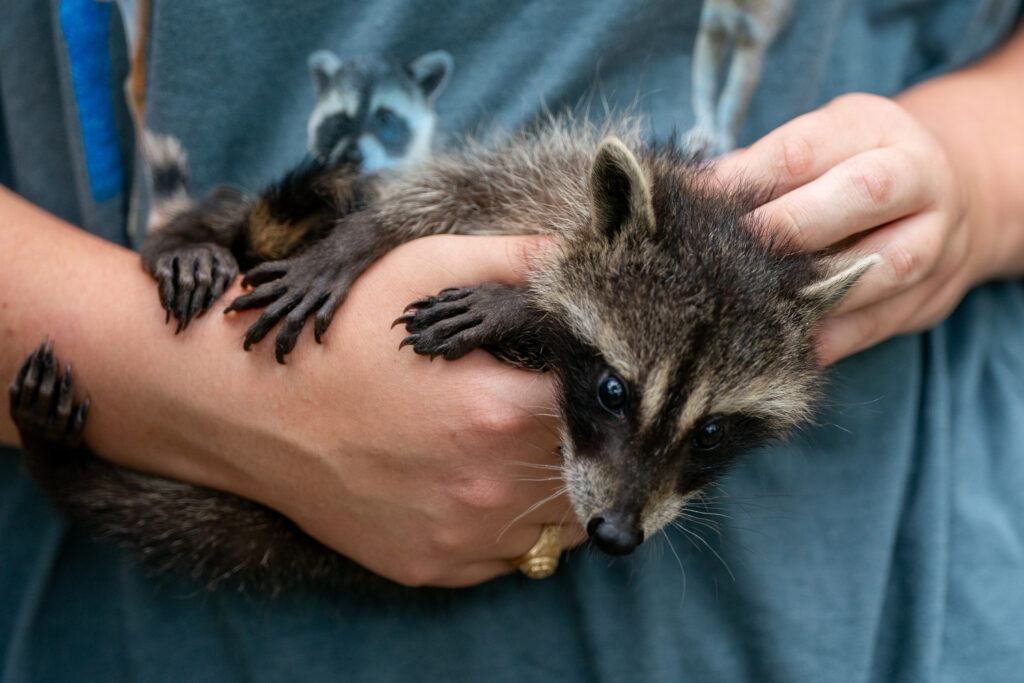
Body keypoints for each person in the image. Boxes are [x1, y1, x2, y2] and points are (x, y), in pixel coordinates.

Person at [1, 0, 1022, 680]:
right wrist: (188, 392)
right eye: (618, 401)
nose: (628, 519)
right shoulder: (581, 220)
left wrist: (974, 186)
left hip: (887, 608)